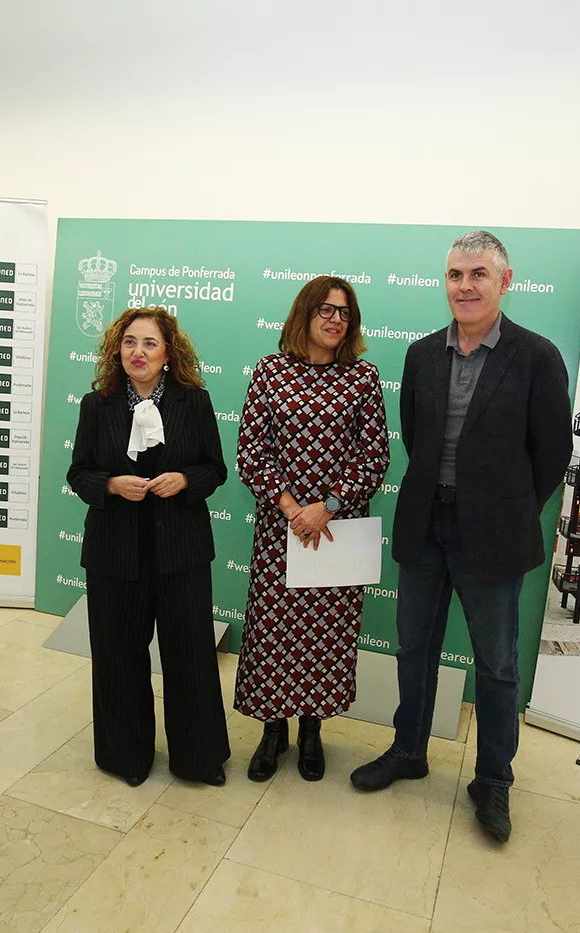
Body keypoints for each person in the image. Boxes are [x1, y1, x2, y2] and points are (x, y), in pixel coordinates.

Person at [349, 231, 573, 843]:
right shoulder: (422, 354)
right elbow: (415, 437)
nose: (465, 286)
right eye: (455, 275)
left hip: (494, 537)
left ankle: (493, 779)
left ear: (505, 281)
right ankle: (409, 750)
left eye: (478, 274)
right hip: (426, 527)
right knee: (414, 648)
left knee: (496, 666)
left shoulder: (537, 356)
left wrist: (508, 510)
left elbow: (552, 452)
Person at [234, 275, 390, 783]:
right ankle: (272, 731)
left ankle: (311, 731)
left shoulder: (362, 378)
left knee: (325, 635)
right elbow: (251, 452)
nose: (335, 319)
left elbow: (374, 456)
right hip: (280, 530)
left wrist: (327, 507)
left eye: (344, 312)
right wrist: (291, 508)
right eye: (326, 309)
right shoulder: (270, 372)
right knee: (274, 632)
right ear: (305, 312)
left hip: (335, 531)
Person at [67, 306, 231, 787]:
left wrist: (185, 479)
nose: (138, 352)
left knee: (191, 656)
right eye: (129, 342)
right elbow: (78, 473)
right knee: (117, 658)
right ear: (117, 350)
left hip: (181, 553)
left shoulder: (194, 402)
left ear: (168, 354)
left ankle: (198, 759)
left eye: (149, 343)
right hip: (114, 555)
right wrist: (111, 484)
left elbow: (215, 469)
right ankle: (126, 758)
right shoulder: (96, 404)